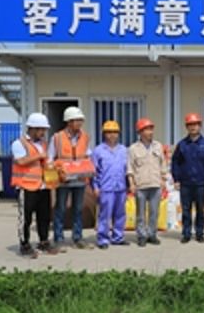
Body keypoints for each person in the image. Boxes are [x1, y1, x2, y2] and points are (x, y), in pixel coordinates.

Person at [11, 112, 61, 258]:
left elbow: (46, 162)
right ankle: (24, 244)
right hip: (26, 186)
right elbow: (20, 161)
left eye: (44, 129)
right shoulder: (19, 143)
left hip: (42, 186)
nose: (43, 132)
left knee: (44, 216)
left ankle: (44, 242)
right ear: (32, 128)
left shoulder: (43, 144)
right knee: (25, 219)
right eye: (41, 129)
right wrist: (39, 156)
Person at [49, 106, 93, 249]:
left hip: (79, 180)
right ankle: (59, 238)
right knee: (60, 209)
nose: (80, 123)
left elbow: (87, 155)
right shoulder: (57, 138)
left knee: (78, 209)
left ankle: (77, 237)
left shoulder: (85, 137)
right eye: (77, 120)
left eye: (81, 120)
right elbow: (50, 159)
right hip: (63, 180)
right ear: (68, 121)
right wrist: (53, 178)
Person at [171, 113, 204, 244]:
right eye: (190, 125)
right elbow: (175, 162)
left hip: (201, 182)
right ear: (186, 127)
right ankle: (186, 233)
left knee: (200, 209)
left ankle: (199, 233)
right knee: (186, 210)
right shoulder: (182, 144)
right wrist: (176, 179)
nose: (193, 127)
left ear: (200, 126)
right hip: (186, 183)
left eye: (195, 124)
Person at [127, 117, 167, 247]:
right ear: (140, 132)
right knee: (140, 213)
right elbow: (130, 167)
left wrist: (163, 180)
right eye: (147, 129)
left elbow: (163, 164)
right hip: (141, 185)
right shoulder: (133, 148)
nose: (150, 132)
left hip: (155, 184)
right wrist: (131, 184)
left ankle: (152, 234)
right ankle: (141, 235)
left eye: (151, 129)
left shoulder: (158, 146)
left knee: (154, 212)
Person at [91, 120, 128, 249]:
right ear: (104, 134)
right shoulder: (98, 151)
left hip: (121, 187)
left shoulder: (124, 150)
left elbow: (127, 169)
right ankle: (103, 239)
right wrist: (95, 187)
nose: (112, 135)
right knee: (105, 215)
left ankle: (118, 237)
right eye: (109, 132)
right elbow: (94, 171)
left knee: (120, 214)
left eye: (115, 132)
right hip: (106, 188)